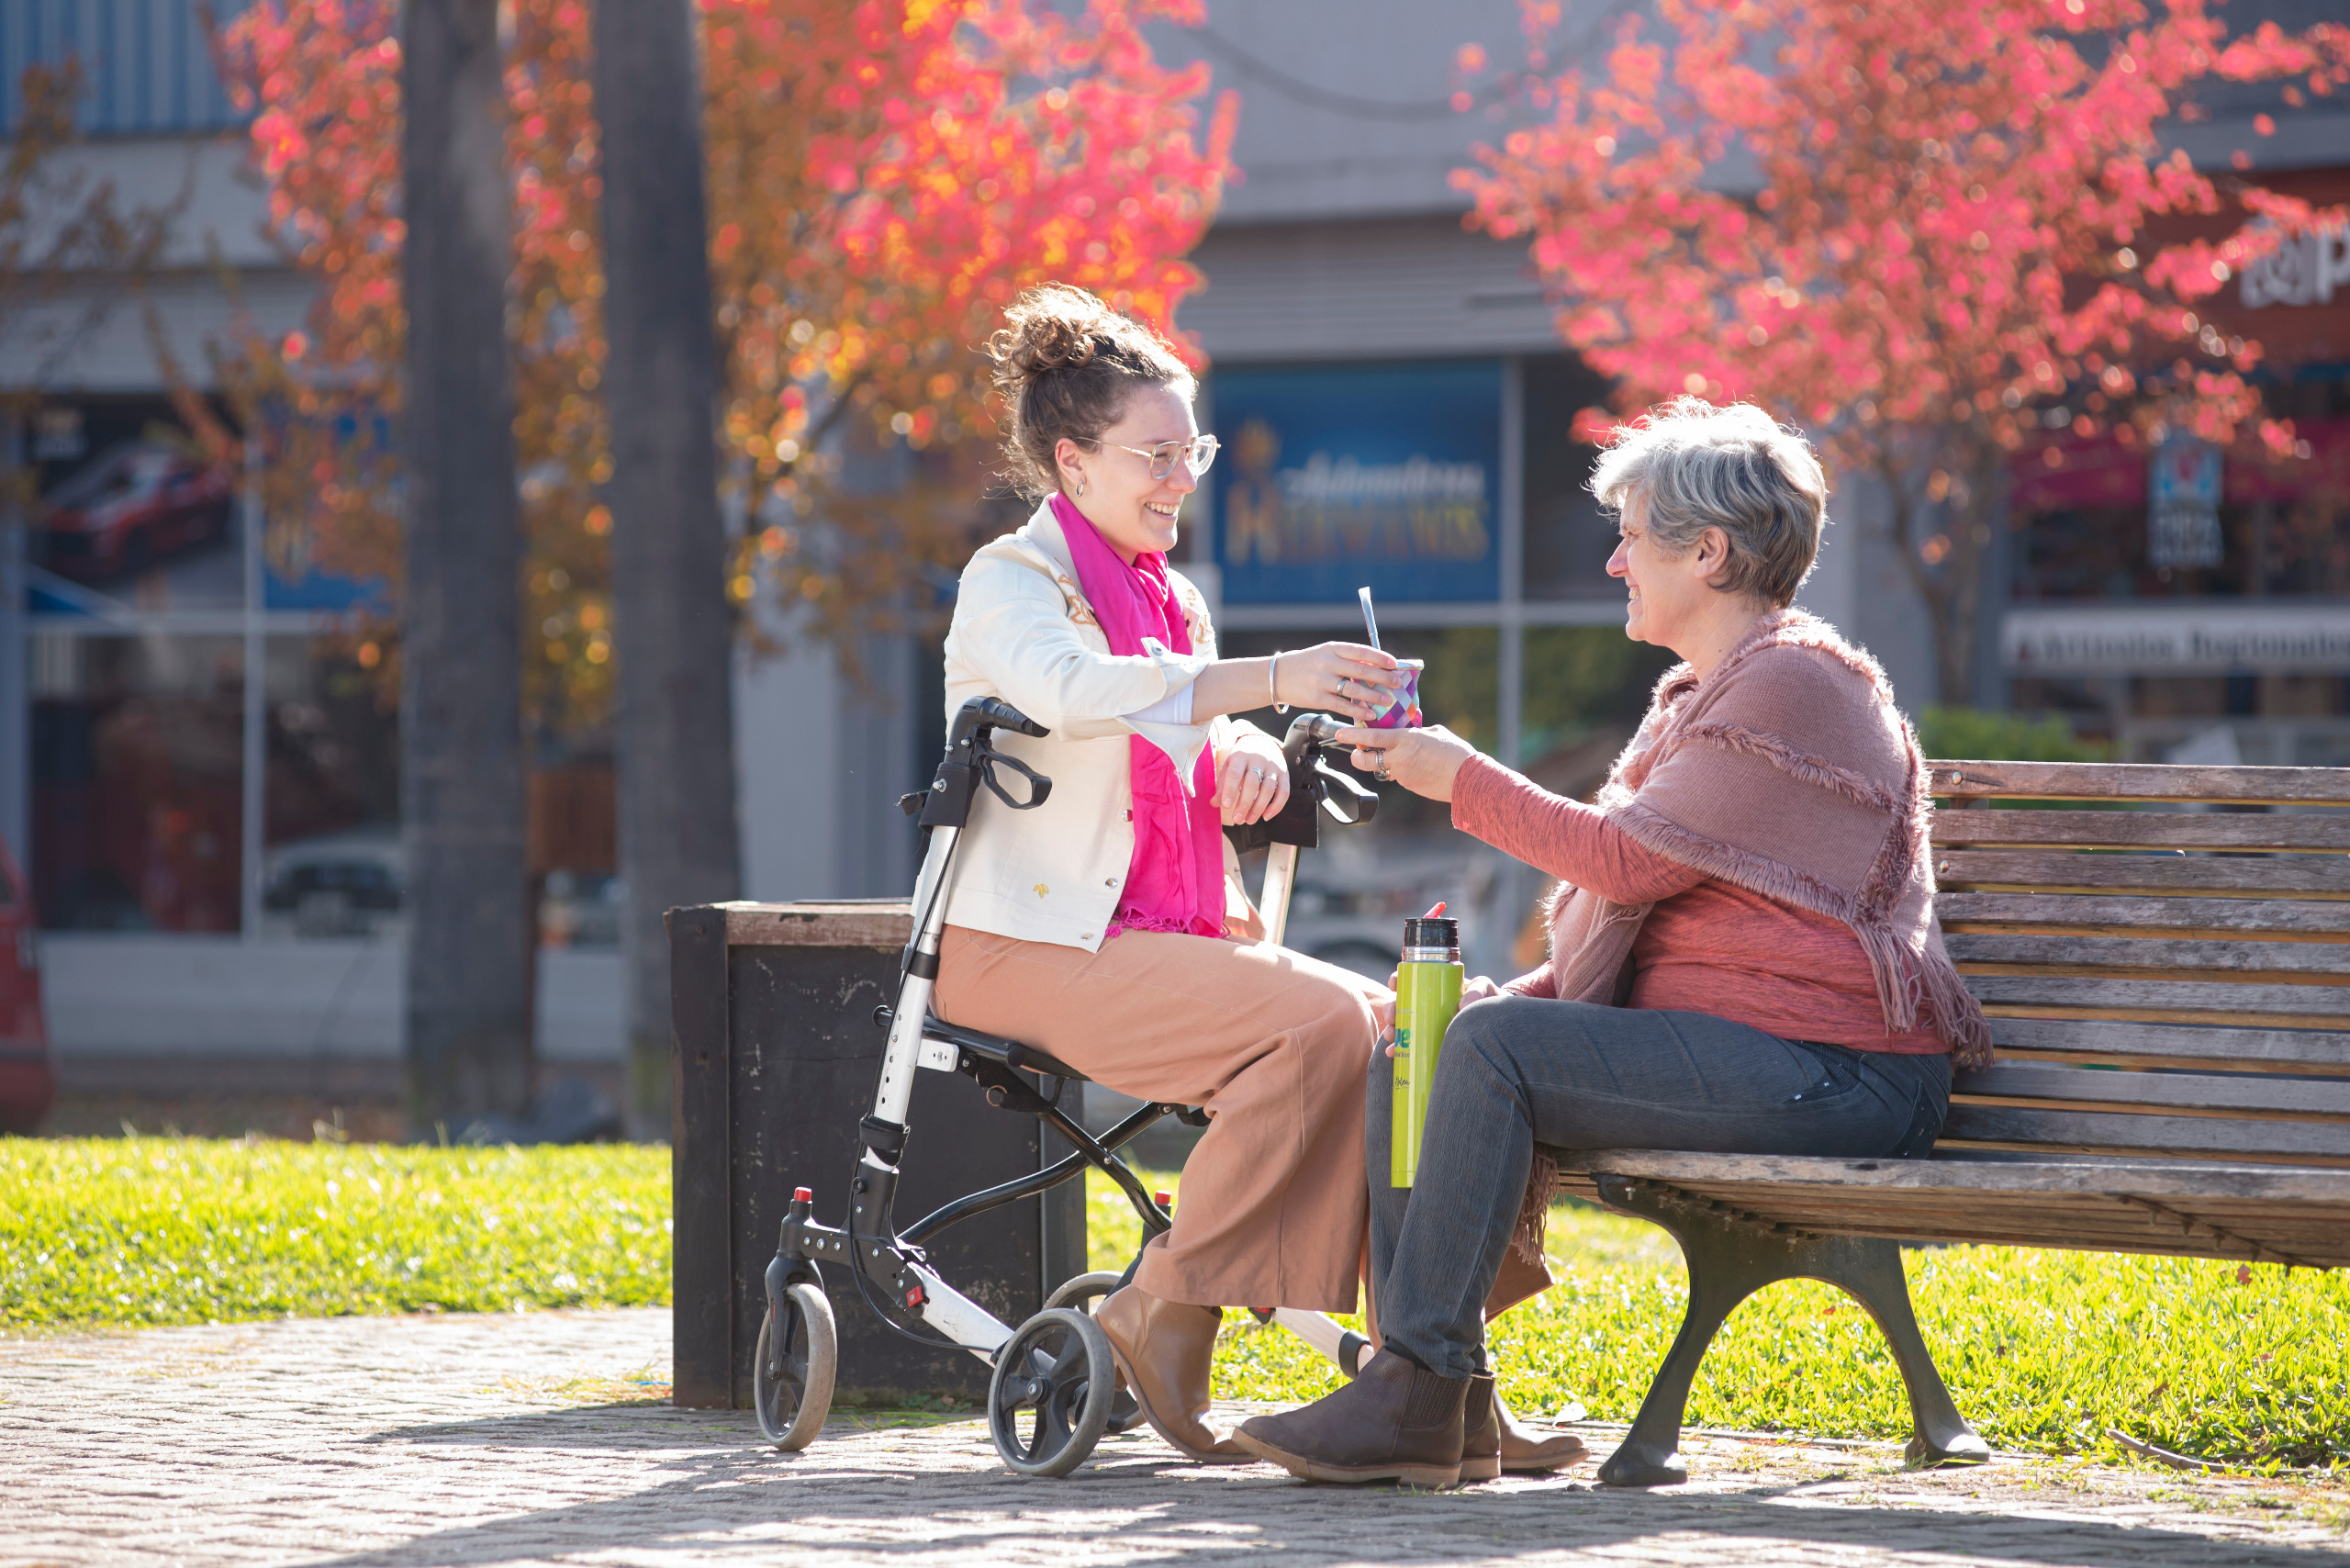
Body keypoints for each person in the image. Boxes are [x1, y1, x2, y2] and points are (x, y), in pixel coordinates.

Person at [1234, 397, 1995, 1487]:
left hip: (1846, 1073)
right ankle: (1450, 1400)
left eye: (1630, 534)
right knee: (1428, 1035)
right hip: (1756, 1053)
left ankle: (1412, 1386)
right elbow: (1664, 917)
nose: (1612, 561)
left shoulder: (1794, 681)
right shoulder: (1699, 697)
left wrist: (1458, 776)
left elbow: (1623, 864)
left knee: (1490, 1046)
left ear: (1708, 550)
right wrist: (1519, 990)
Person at [932, 284, 1406, 1464]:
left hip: (1153, 936)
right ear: (1071, 461)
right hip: (1030, 946)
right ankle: (1161, 1310)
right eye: (1155, 453)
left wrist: (1243, 754)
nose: (1180, 475)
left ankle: (1431, 1367)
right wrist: (1274, 679)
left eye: (1187, 448)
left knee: (1411, 1034)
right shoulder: (1010, 583)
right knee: (1319, 1028)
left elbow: (1185, 731)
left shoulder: (1168, 598)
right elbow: (1083, 697)